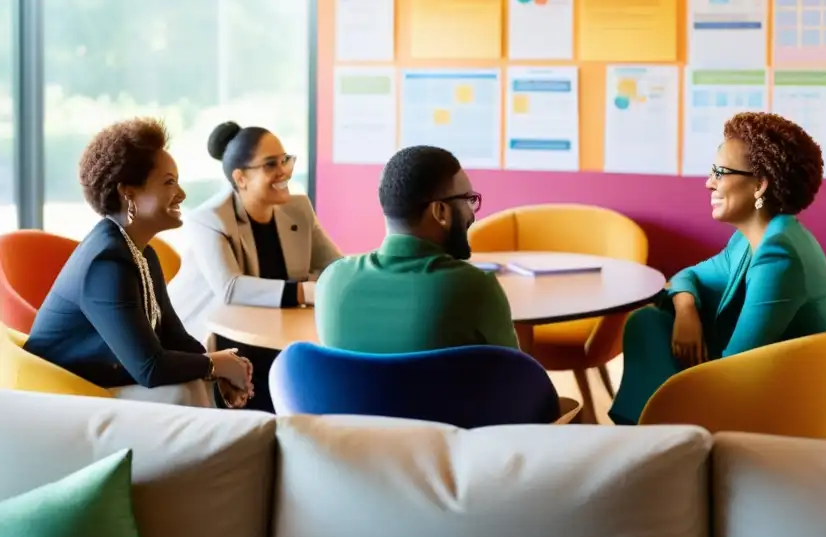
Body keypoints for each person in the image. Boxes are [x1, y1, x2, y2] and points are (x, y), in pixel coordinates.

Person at [608, 112, 826, 425]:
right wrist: (686, 310)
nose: (709, 183)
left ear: (760, 185)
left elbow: (734, 368)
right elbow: (688, 276)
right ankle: (647, 437)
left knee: (651, 328)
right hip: (750, 384)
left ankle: (650, 440)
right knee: (649, 322)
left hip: (779, 406)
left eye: (720, 173)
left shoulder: (780, 254)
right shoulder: (750, 240)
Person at [25, 118, 253, 408]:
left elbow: (176, 338)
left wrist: (219, 371)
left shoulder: (143, 253)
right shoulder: (105, 263)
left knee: (191, 383)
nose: (181, 194)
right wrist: (215, 365)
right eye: (169, 182)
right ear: (128, 194)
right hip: (59, 400)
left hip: (102, 381)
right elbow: (150, 368)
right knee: (179, 391)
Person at [168, 121, 342, 412]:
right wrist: (305, 291)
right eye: (270, 164)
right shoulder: (209, 219)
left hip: (270, 333)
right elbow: (231, 287)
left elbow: (334, 267)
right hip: (209, 338)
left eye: (286, 160)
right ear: (240, 177)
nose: (284, 171)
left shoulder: (298, 208)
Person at [315, 145, 519, 353]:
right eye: (468, 200)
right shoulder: (475, 288)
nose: (471, 213)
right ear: (440, 211)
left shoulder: (333, 280)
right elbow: (515, 377)